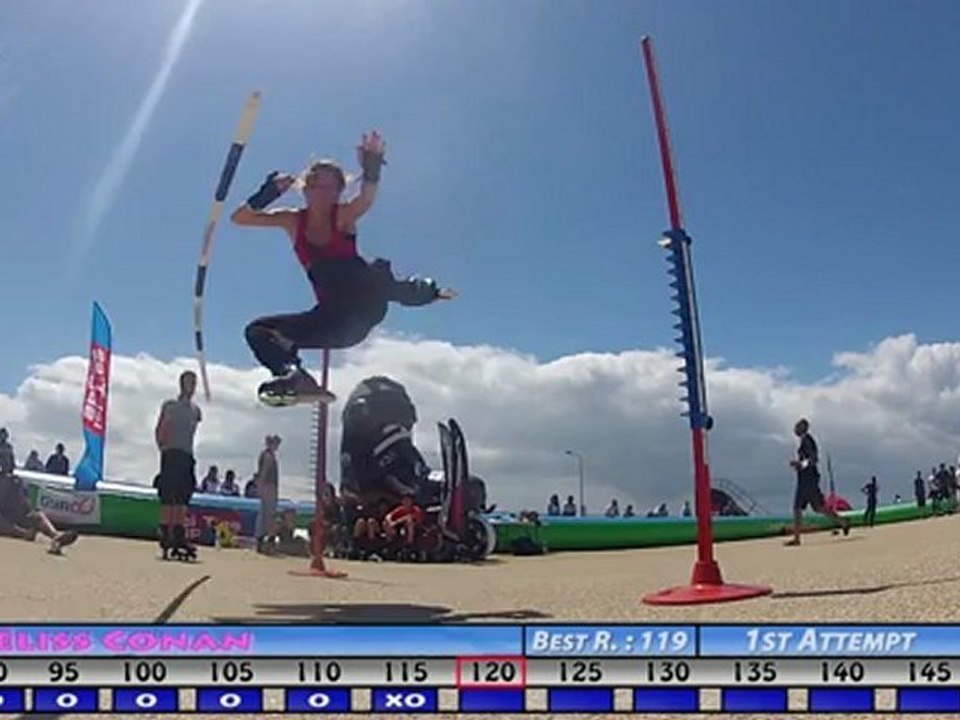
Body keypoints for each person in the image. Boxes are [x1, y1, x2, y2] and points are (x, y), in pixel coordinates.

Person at [230, 132, 457, 405]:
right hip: (334, 324)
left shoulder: (344, 216)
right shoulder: (291, 220)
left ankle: (413, 290)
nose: (324, 195)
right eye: (317, 187)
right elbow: (240, 218)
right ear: (306, 190)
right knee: (257, 331)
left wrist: (371, 165)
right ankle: (295, 376)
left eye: (331, 189)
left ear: (339, 192)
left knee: (359, 269)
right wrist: (269, 193)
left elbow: (366, 199)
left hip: (363, 309)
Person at [154, 370, 202, 558]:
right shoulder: (170, 406)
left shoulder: (195, 411)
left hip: (186, 455)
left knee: (183, 497)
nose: (191, 387)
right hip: (171, 453)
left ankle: (179, 536)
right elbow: (161, 427)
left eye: (194, 383)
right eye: (189, 383)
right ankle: (166, 534)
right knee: (168, 495)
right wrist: (163, 446)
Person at [787, 418, 850, 546]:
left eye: (797, 427)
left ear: (802, 428)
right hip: (808, 479)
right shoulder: (804, 441)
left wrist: (800, 464)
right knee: (818, 508)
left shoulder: (807, 440)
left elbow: (813, 459)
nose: (795, 429)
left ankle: (797, 538)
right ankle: (843, 522)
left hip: (807, 480)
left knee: (797, 507)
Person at [255, 435, 281, 554]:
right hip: (269, 486)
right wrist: (261, 484)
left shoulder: (267, 455)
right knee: (269, 514)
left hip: (268, 486)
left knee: (265, 514)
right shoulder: (268, 456)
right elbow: (265, 471)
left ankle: (263, 540)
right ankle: (267, 541)